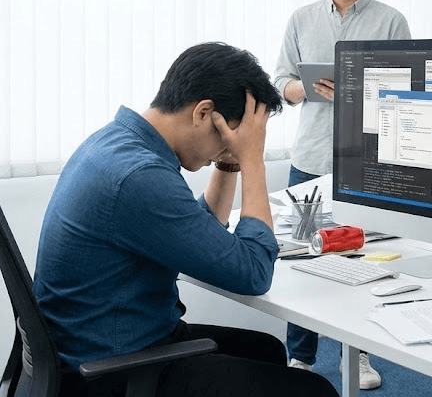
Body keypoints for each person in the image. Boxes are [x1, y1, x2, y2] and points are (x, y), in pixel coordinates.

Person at [33, 43, 338, 396]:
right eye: (230, 138)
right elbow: (254, 272)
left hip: (97, 345)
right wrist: (252, 159)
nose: (232, 149)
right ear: (204, 113)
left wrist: (228, 162)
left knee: (266, 350)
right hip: (112, 372)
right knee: (315, 390)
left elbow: (195, 230)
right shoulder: (140, 176)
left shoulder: (118, 144)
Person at [274, 0, 410, 389]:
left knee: (362, 258)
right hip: (310, 159)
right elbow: (279, 83)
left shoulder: (391, 20)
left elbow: (408, 89)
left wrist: (362, 88)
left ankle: (362, 356)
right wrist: (305, 88)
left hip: (367, 163)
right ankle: (301, 358)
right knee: (303, 259)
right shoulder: (301, 19)